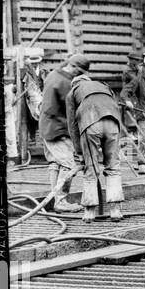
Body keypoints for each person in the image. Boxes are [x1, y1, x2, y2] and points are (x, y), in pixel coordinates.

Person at [66, 70, 125, 222]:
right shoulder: (103, 86)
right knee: (113, 167)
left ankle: (89, 212)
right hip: (113, 122)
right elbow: (115, 106)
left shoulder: (72, 92)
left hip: (90, 122)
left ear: (75, 84)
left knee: (90, 168)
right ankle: (115, 210)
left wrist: (79, 152)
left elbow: (72, 125)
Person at [39, 54, 91, 213]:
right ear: (75, 67)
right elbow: (57, 109)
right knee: (69, 164)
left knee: (55, 163)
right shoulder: (63, 82)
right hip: (57, 129)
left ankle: (56, 199)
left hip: (48, 126)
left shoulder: (55, 74)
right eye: (80, 72)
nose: (80, 75)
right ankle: (60, 200)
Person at [18, 48, 48, 155]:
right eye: (33, 63)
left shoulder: (44, 72)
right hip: (30, 100)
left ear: (39, 62)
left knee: (42, 119)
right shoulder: (25, 72)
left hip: (42, 99)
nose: (34, 64)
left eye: (36, 63)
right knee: (30, 120)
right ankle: (32, 141)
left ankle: (40, 142)